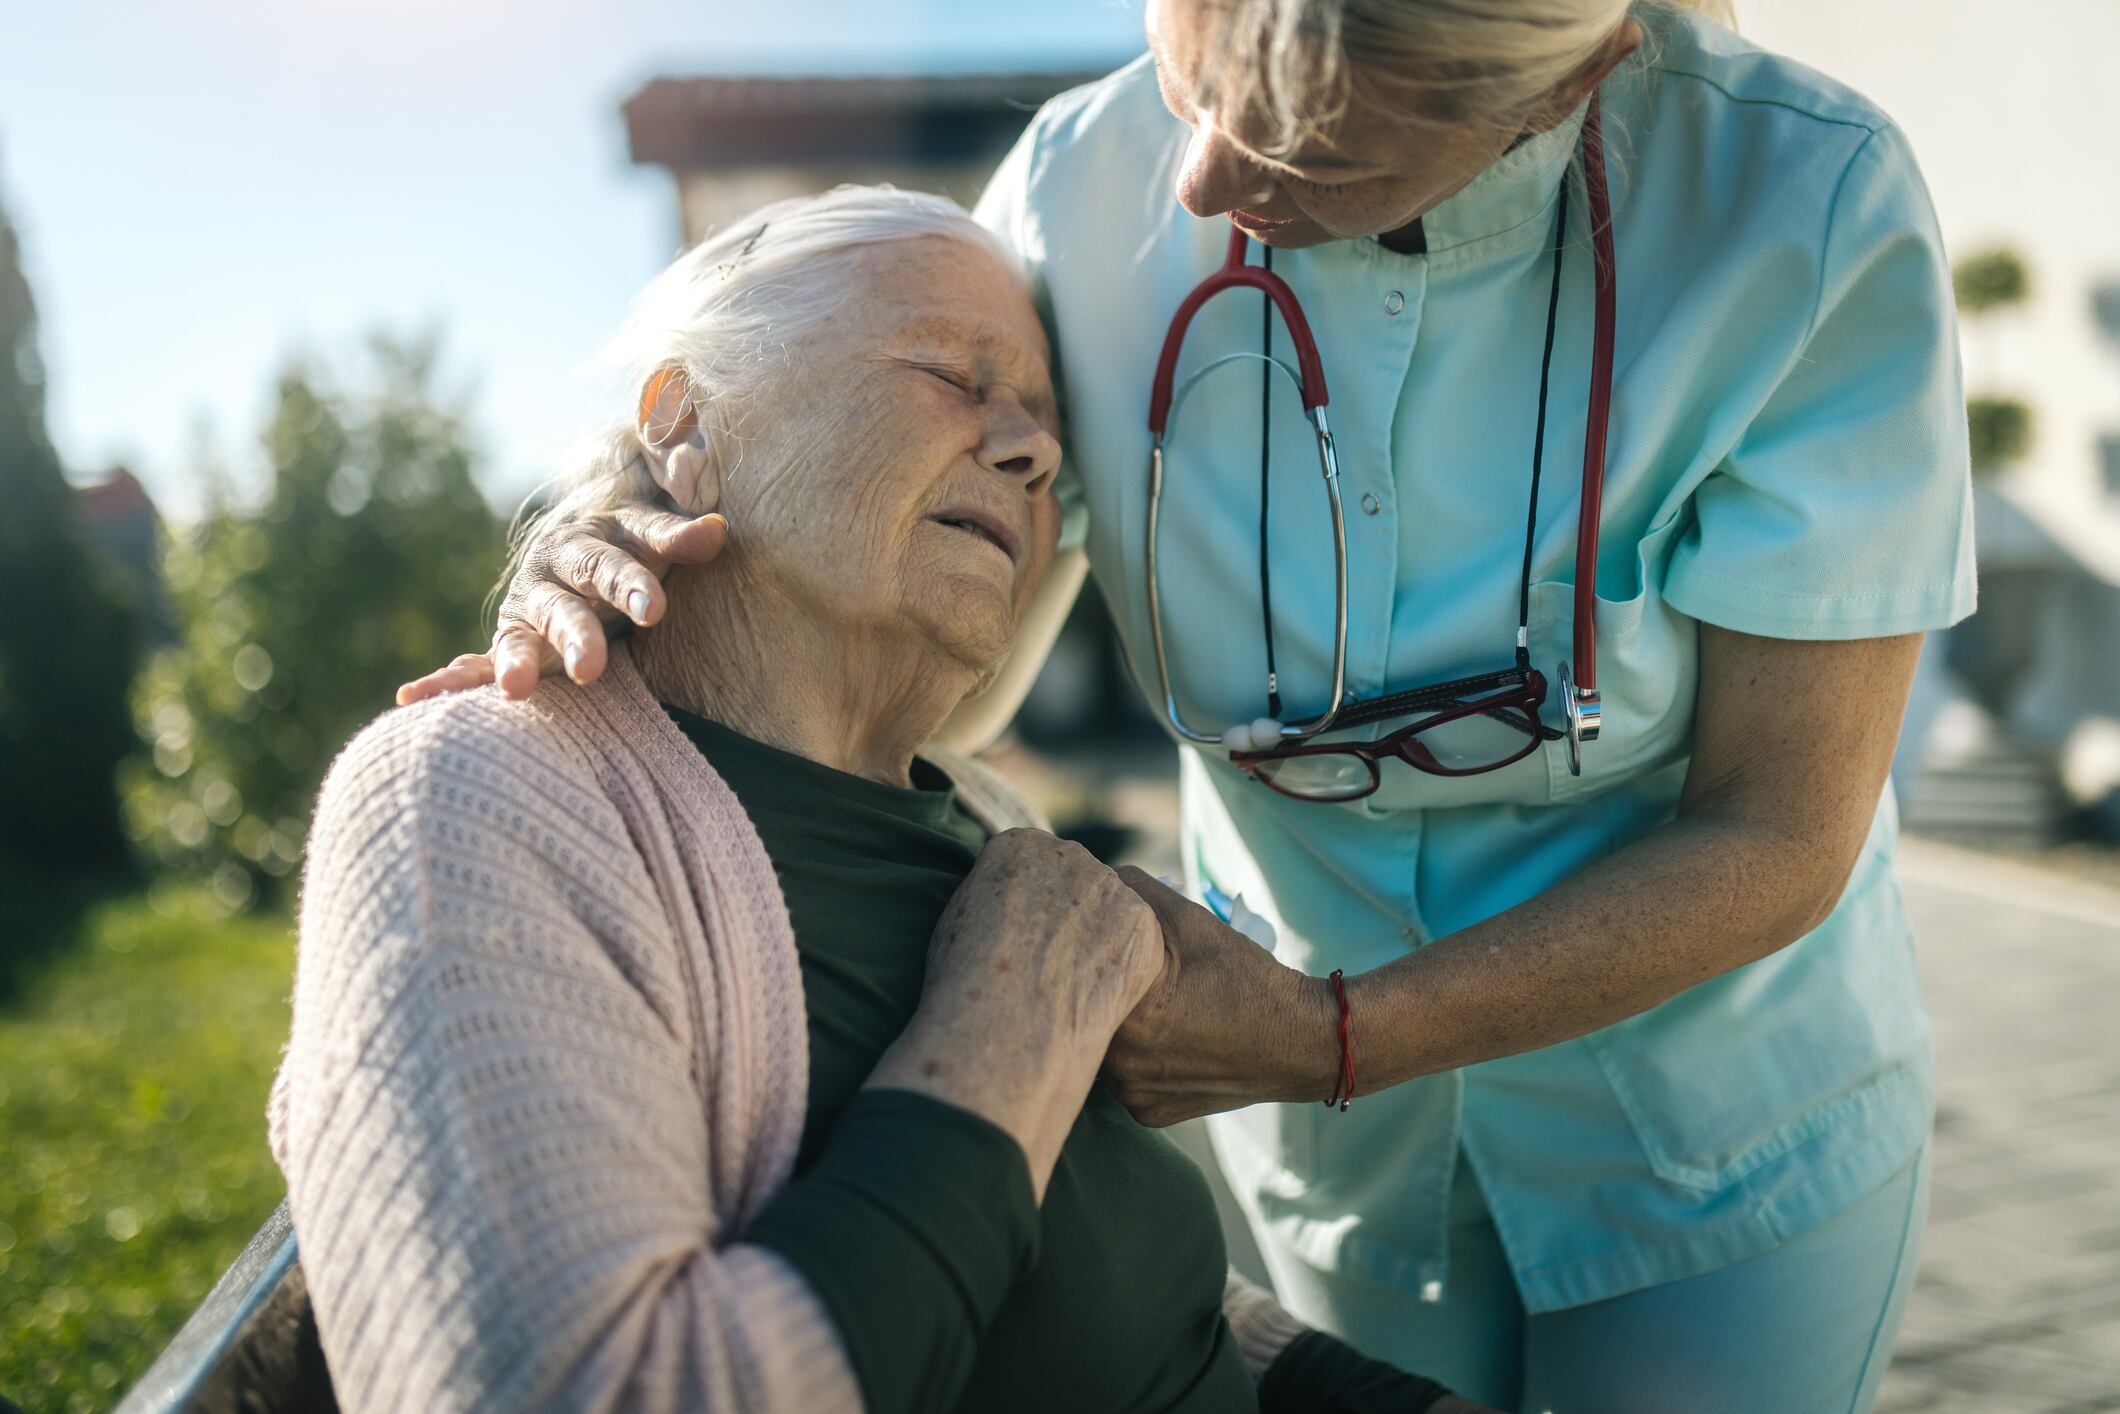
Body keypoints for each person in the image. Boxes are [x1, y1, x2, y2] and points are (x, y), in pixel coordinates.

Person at [407, 3, 1974, 1409]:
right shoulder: (1080, 186)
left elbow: (1780, 825)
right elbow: (904, 603)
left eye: (1308, 153)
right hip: (1327, 1143)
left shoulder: (1801, 210)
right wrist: (640, 535)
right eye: (1189, 78)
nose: (1201, 183)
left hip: (1712, 1116)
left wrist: (1329, 1029)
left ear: (1565, 82)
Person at [274, 186, 1485, 1413]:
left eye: (1045, 425)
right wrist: (1013, 1034)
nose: (1034, 451)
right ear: (684, 421)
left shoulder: (979, 813)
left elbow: (1145, 1297)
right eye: (954, 375)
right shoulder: (472, 793)